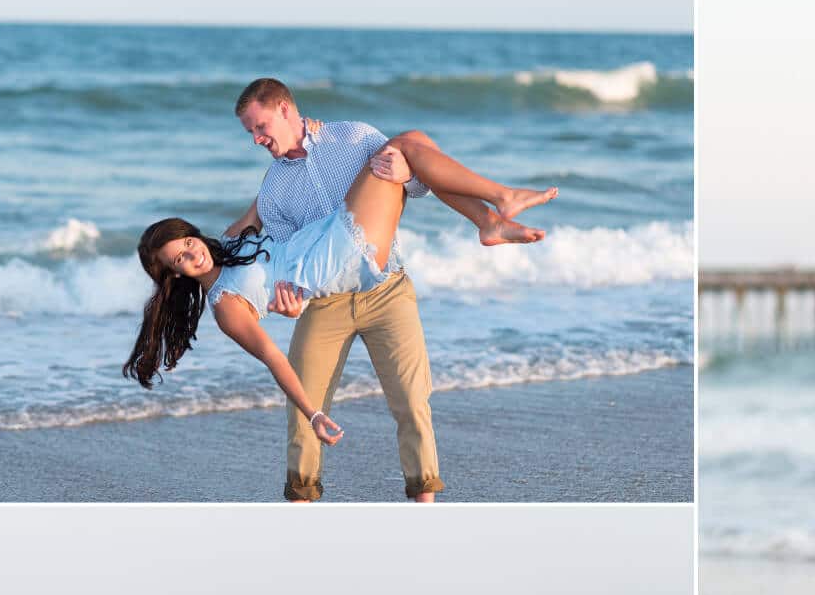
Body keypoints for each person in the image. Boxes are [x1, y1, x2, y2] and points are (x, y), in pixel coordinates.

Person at [125, 100, 557, 504]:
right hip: (335, 268)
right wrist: (313, 411)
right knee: (407, 143)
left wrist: (404, 175)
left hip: (374, 278)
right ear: (176, 274)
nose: (190, 254)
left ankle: (424, 504)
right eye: (178, 260)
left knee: (414, 145)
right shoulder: (225, 306)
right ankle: (498, 204)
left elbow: (264, 212)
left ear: (284, 109)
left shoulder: (240, 233)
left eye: (186, 242)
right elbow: (273, 357)